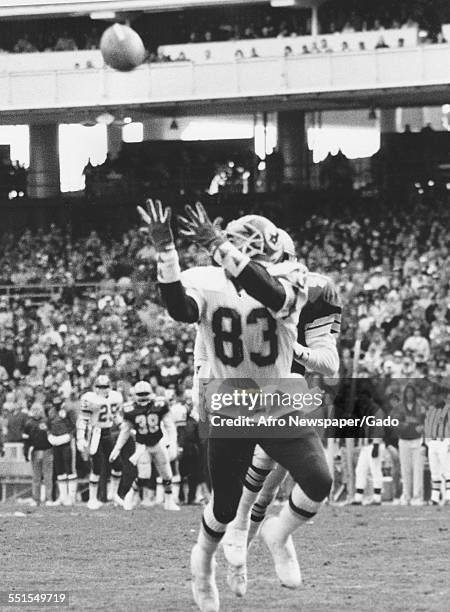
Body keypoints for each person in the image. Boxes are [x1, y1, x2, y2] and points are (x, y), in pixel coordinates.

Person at [137, 199, 331, 611]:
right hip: (230, 404)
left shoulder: (289, 277)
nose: (282, 256)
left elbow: (273, 294)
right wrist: (167, 253)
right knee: (223, 506)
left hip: (277, 399)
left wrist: (220, 247)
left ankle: (277, 534)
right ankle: (203, 561)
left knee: (319, 480)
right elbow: (179, 308)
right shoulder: (209, 279)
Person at [222, 229, 341, 563]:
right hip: (247, 385)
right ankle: (241, 531)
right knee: (257, 473)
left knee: (270, 482)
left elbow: (329, 364)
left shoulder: (315, 290)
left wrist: (296, 348)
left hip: (287, 387)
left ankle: (257, 535)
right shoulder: (234, 287)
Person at [109, 380, 179, 511]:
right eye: (140, 394)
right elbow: (125, 431)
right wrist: (117, 449)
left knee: (167, 475)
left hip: (158, 443)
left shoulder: (160, 404)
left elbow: (170, 426)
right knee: (144, 476)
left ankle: (169, 501)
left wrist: (173, 443)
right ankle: (130, 496)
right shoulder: (130, 410)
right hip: (142, 446)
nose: (143, 397)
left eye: (145, 394)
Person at [76, 374, 123, 510]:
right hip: (95, 433)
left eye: (105, 386)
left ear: (110, 387)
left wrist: (123, 427)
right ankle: (92, 499)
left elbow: (115, 416)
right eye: (100, 387)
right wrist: (80, 437)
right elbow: (83, 419)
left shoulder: (115, 397)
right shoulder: (89, 398)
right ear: (95, 387)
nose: (103, 389)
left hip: (108, 433)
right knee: (96, 467)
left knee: (118, 464)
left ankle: (113, 494)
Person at [394, 383, 425, 505]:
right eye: (408, 392)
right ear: (405, 394)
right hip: (404, 440)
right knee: (405, 469)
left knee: (418, 469)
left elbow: (426, 421)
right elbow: (395, 422)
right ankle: (406, 495)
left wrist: (422, 427)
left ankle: (417, 496)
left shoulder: (420, 406)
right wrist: (404, 426)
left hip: (417, 440)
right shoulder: (399, 407)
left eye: (412, 392)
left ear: (414, 393)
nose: (410, 394)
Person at [47, 394, 78, 506]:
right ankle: (63, 496)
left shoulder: (69, 410)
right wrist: (50, 436)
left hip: (67, 441)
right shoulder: (51, 412)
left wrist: (70, 436)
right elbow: (49, 426)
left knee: (69, 468)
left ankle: (71, 496)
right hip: (56, 442)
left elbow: (76, 425)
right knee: (59, 469)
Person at [23, 403, 55, 506]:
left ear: (41, 410)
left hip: (47, 451)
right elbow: (26, 440)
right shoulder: (28, 424)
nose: (37, 411)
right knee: (36, 477)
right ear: (32, 411)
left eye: (38, 409)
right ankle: (35, 499)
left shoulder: (47, 422)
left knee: (48, 476)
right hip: (35, 452)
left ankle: (49, 498)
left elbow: (52, 435)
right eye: (34, 409)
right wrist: (25, 452)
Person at [424, 390, 450, 505]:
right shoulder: (431, 410)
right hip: (432, 442)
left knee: (447, 470)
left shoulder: (448, 408)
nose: (434, 399)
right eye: (433, 396)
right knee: (434, 470)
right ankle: (435, 498)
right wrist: (425, 443)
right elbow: (426, 426)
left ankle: (449, 497)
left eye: (437, 396)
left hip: (444, 441)